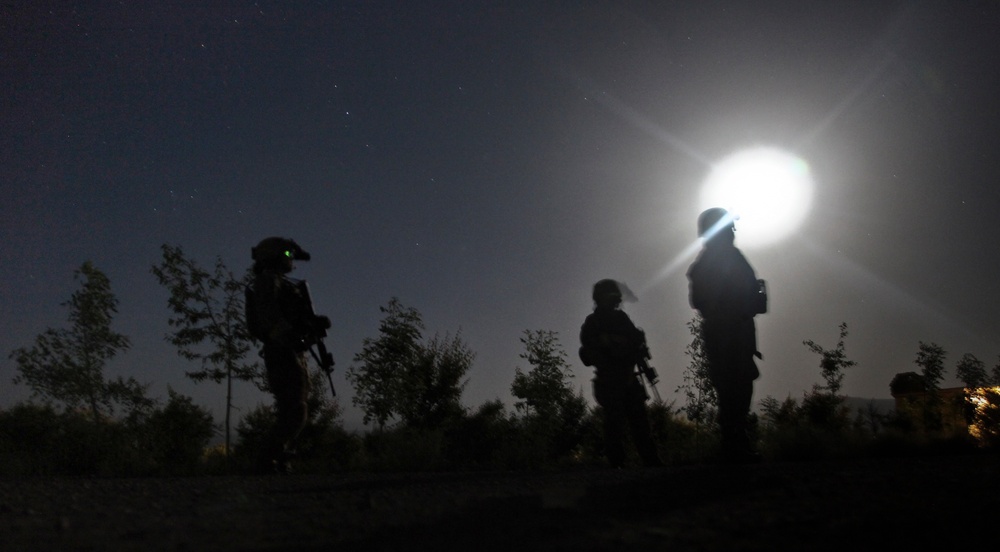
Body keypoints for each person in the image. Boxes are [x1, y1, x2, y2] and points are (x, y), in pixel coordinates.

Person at [686, 208, 766, 463]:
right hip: (726, 332)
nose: (733, 231)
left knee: (739, 386)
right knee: (732, 387)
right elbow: (700, 301)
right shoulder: (711, 262)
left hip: (738, 331)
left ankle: (735, 444)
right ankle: (732, 446)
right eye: (729, 226)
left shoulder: (729, 257)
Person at [247, 236, 330, 474]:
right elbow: (270, 318)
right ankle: (268, 459)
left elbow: (289, 318)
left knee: (295, 407)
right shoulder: (267, 282)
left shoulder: (282, 284)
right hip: (282, 351)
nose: (291, 261)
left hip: (291, 350)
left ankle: (279, 459)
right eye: (287, 255)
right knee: (295, 410)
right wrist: (293, 334)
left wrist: (312, 325)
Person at [579, 279, 663, 468]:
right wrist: (610, 347)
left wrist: (636, 348)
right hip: (609, 380)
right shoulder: (593, 323)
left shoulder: (622, 319)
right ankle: (616, 464)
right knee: (614, 424)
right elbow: (588, 352)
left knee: (640, 423)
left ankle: (651, 460)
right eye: (610, 297)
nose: (614, 301)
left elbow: (636, 344)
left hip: (629, 378)